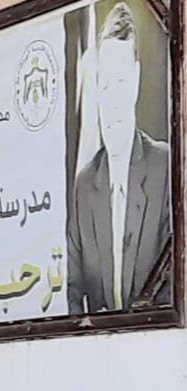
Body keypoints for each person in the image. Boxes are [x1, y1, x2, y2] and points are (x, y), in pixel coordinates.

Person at [68, 2, 172, 314]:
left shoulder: (166, 168)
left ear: (136, 80)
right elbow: (73, 291)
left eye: (121, 82)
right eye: (105, 85)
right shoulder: (84, 185)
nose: (113, 100)